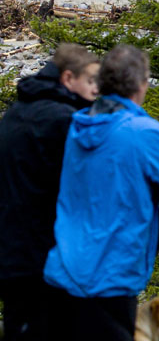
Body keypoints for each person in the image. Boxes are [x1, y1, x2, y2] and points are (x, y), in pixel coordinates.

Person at [44, 44, 159, 341]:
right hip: (110, 278)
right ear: (141, 84)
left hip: (63, 271)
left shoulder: (78, 127)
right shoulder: (141, 133)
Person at [0, 44, 99, 340]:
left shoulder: (18, 112)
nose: (97, 90)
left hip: (13, 250)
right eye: (91, 81)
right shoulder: (62, 121)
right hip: (42, 256)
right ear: (69, 79)